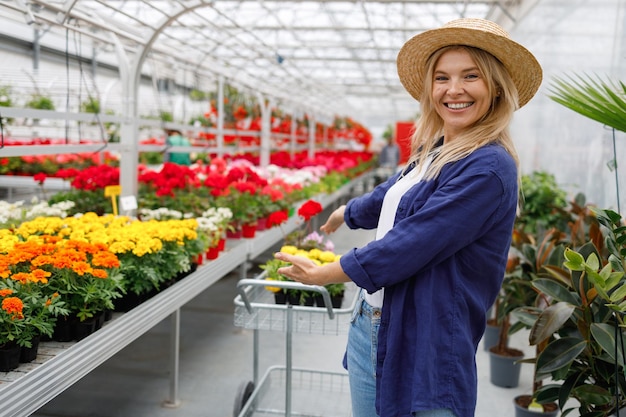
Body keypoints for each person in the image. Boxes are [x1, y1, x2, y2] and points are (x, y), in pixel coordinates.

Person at [274, 18, 542, 417]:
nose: (453, 90)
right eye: (441, 77)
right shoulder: (436, 148)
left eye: (471, 76)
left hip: (425, 342)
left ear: (497, 87)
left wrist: (325, 273)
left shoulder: (487, 167)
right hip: (372, 323)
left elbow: (413, 242)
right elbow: (392, 196)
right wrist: (346, 212)